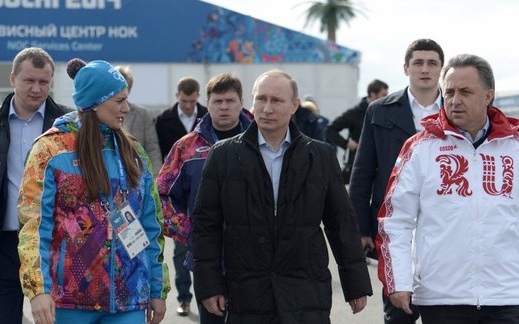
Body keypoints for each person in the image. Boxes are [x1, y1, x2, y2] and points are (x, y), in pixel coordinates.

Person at [192, 69, 373, 323]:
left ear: (294, 105)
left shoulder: (320, 156)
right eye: (261, 99)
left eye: (276, 100)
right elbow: (205, 226)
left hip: (306, 287)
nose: (266, 108)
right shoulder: (223, 156)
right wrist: (209, 285)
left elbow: (340, 221)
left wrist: (355, 283)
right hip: (247, 291)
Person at [377, 53, 519, 324]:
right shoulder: (420, 148)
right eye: (450, 92)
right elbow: (395, 220)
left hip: (506, 297)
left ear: (488, 95)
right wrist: (399, 281)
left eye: (466, 92)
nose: (455, 100)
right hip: (442, 296)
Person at [17, 58, 169, 324]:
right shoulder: (50, 151)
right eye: (119, 100)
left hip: (128, 297)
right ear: (96, 102)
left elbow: (150, 223)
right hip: (69, 299)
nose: (127, 107)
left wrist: (157, 287)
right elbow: (34, 227)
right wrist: (37, 290)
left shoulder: (133, 152)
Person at [0, 47, 71, 324]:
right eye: (29, 80)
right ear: (13, 78)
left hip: (56, 247)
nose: (37, 89)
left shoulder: (70, 128)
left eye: (44, 82)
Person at [349, 38, 444, 324]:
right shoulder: (380, 110)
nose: (425, 69)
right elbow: (363, 171)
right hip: (395, 224)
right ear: (406, 68)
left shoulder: (457, 110)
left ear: (441, 69)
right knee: (398, 311)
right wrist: (361, 228)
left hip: (445, 225)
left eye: (432, 63)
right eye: (418, 62)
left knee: (446, 311)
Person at [157, 72, 252, 323]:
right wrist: (189, 231)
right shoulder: (186, 147)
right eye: (217, 101)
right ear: (207, 103)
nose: (223, 107)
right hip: (206, 258)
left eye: (230, 101)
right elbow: (160, 197)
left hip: (256, 257)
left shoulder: (261, 142)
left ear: (241, 102)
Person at [154, 76, 207, 316]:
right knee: (181, 248)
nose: (188, 105)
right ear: (178, 96)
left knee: (207, 245)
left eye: (192, 101)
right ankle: (184, 297)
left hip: (202, 189)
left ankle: (207, 295)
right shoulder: (163, 120)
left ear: (198, 96)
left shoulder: (208, 116)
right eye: (184, 101)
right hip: (177, 192)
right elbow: (160, 153)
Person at [326, 79, 389, 183]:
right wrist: (346, 143)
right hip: (358, 165)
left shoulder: (386, 113)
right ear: (373, 95)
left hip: (381, 166)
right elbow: (330, 129)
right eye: (384, 95)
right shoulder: (354, 113)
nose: (387, 98)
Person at [115, 65, 163, 173]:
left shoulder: (142, 114)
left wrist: (156, 179)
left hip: (137, 176)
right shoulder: (102, 112)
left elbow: (153, 149)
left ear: (129, 89)